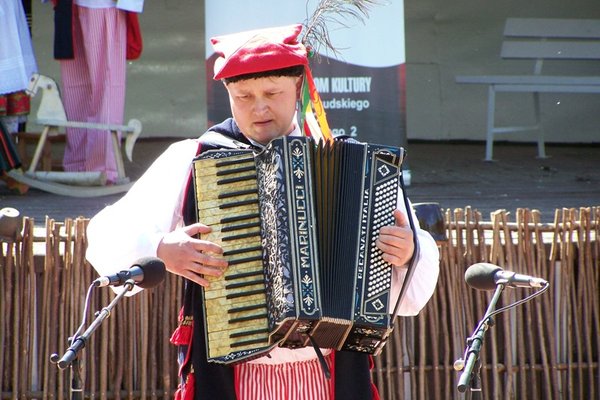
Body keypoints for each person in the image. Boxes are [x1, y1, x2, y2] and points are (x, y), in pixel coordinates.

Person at [86, 24, 440, 400]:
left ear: (299, 90)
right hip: (234, 378)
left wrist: (408, 253)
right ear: (228, 94)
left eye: (272, 93)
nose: (259, 107)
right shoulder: (193, 157)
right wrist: (161, 248)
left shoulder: (355, 164)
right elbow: (105, 230)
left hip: (330, 375)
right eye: (243, 96)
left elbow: (415, 282)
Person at [49, 0, 143, 184]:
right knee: (75, 87)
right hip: (70, 6)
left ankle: (102, 167)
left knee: (106, 86)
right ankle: (77, 165)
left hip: (105, 5)